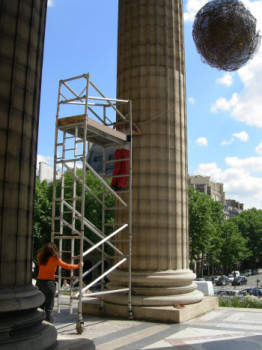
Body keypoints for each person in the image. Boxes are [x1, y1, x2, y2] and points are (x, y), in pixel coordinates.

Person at [36, 242, 82, 323]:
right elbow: (67, 266)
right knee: (49, 308)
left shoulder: (41, 258)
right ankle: (48, 327)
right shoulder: (54, 259)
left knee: (40, 306)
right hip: (49, 284)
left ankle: (39, 324)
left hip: (39, 283)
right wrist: (78, 266)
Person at [111, 122, 142, 191]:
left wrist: (134, 125)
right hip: (118, 150)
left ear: (124, 124)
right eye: (119, 124)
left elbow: (139, 133)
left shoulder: (128, 131)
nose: (121, 125)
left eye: (122, 123)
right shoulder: (117, 131)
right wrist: (114, 127)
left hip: (126, 150)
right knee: (117, 168)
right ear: (118, 125)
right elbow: (110, 134)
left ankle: (120, 185)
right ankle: (113, 184)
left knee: (124, 168)